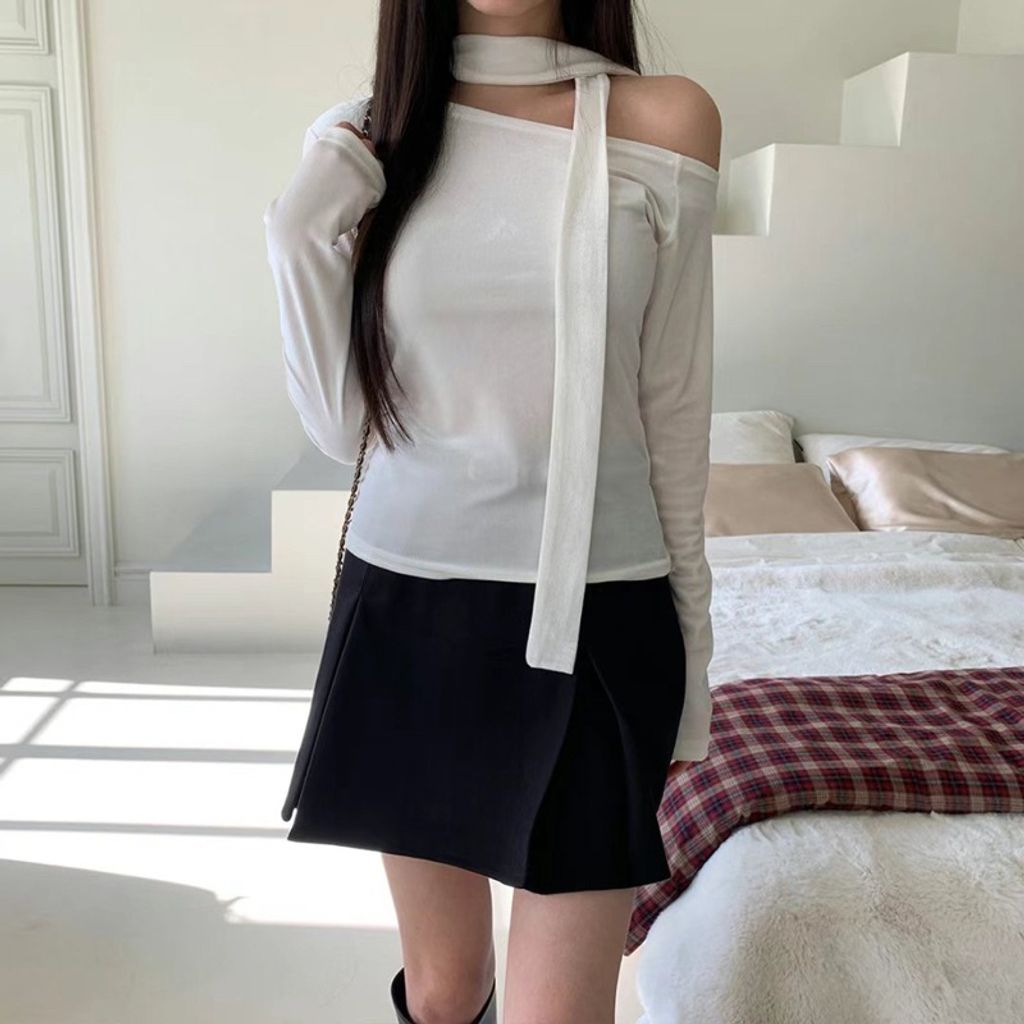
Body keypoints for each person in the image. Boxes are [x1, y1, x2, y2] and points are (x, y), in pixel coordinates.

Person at [262, 2, 721, 1021]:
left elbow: (674, 410)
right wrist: (300, 236)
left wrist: (693, 659)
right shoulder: (370, 136)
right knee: (443, 991)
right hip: (407, 610)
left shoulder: (666, 119)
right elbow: (343, 427)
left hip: (598, 618)